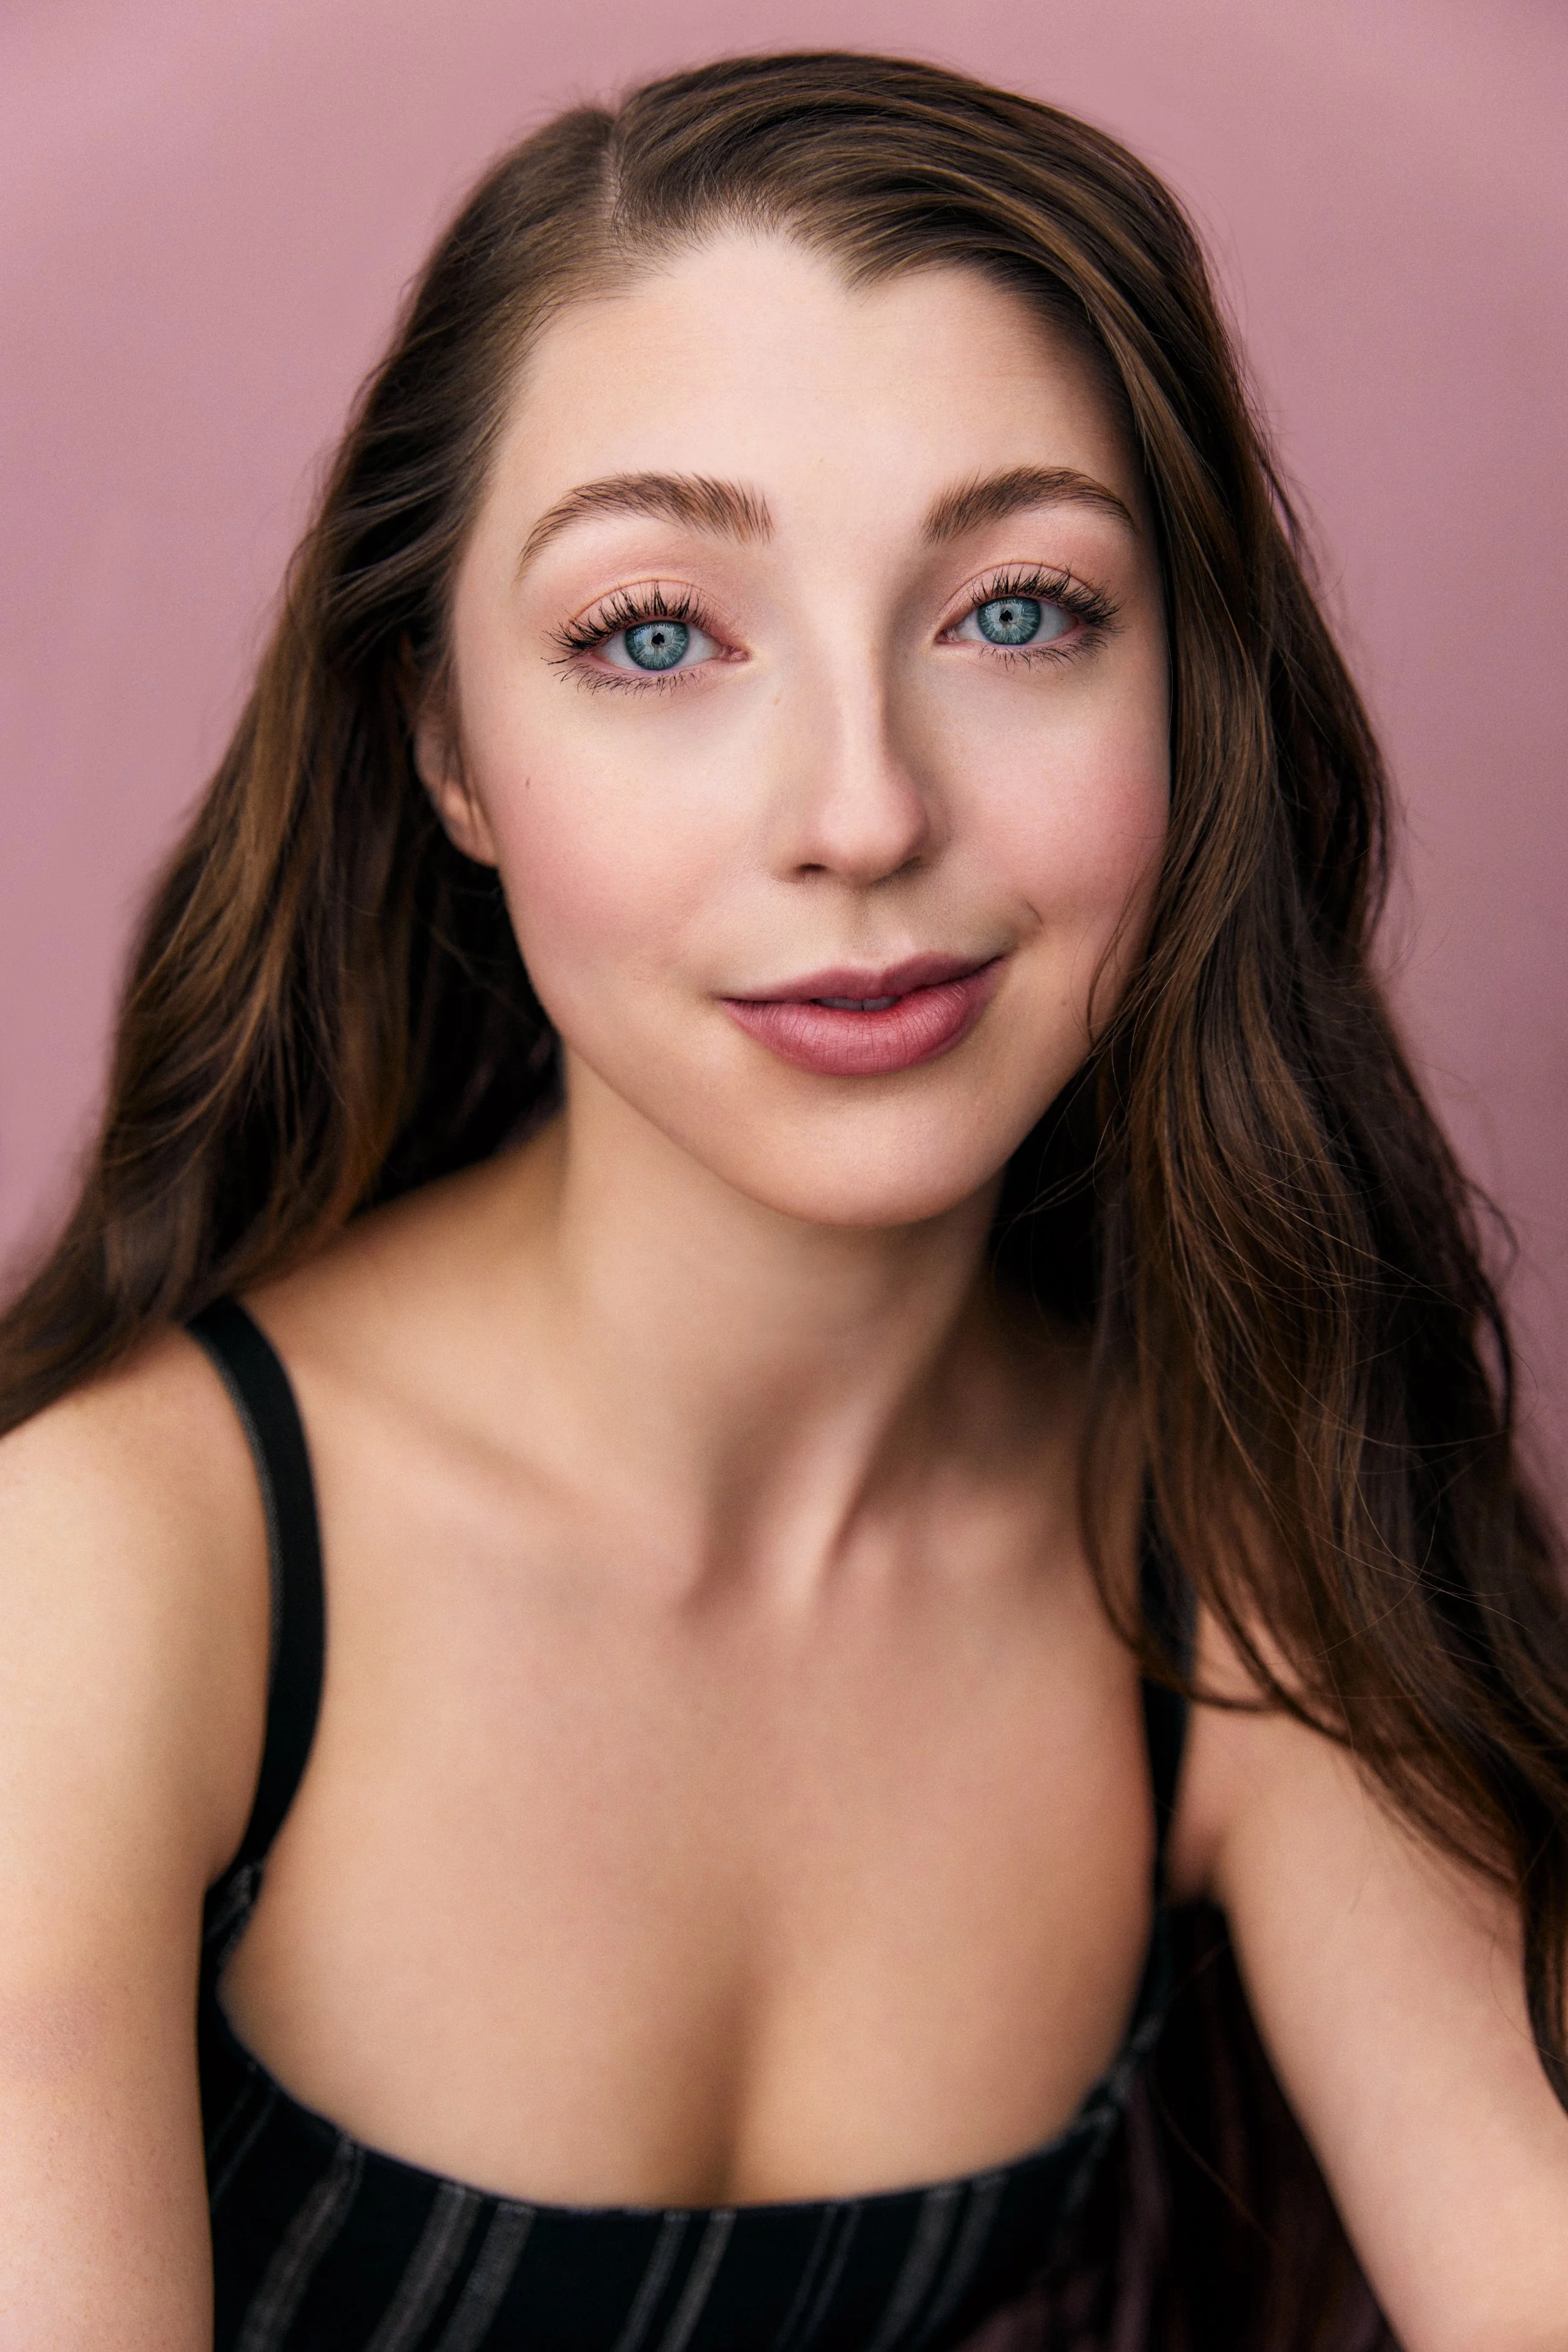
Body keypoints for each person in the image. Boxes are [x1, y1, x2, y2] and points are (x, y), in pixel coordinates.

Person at [1, 48, 1564, 2352]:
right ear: (440, 742)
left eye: (1017, 610)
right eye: (656, 633)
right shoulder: (112, 1575)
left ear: (1194, 704)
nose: (858, 810)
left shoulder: (1227, 1562)